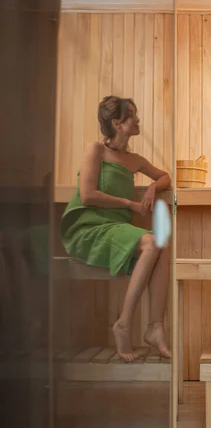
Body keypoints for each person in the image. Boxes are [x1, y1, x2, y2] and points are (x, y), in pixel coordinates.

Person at [61, 96, 171, 362]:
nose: (137, 118)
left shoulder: (135, 160)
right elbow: (87, 195)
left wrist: (155, 187)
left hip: (117, 229)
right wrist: (130, 203)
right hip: (89, 228)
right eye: (131, 115)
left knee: (163, 245)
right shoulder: (95, 151)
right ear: (117, 123)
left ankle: (155, 327)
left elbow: (165, 176)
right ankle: (124, 323)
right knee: (153, 242)